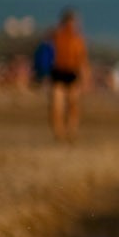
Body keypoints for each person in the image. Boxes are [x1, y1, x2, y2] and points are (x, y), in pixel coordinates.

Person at [46, 9, 87, 142]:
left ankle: (71, 130)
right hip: (59, 72)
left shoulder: (77, 40)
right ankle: (59, 132)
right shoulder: (57, 37)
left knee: (73, 105)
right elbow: (48, 54)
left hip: (72, 73)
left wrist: (85, 77)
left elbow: (82, 60)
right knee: (57, 106)